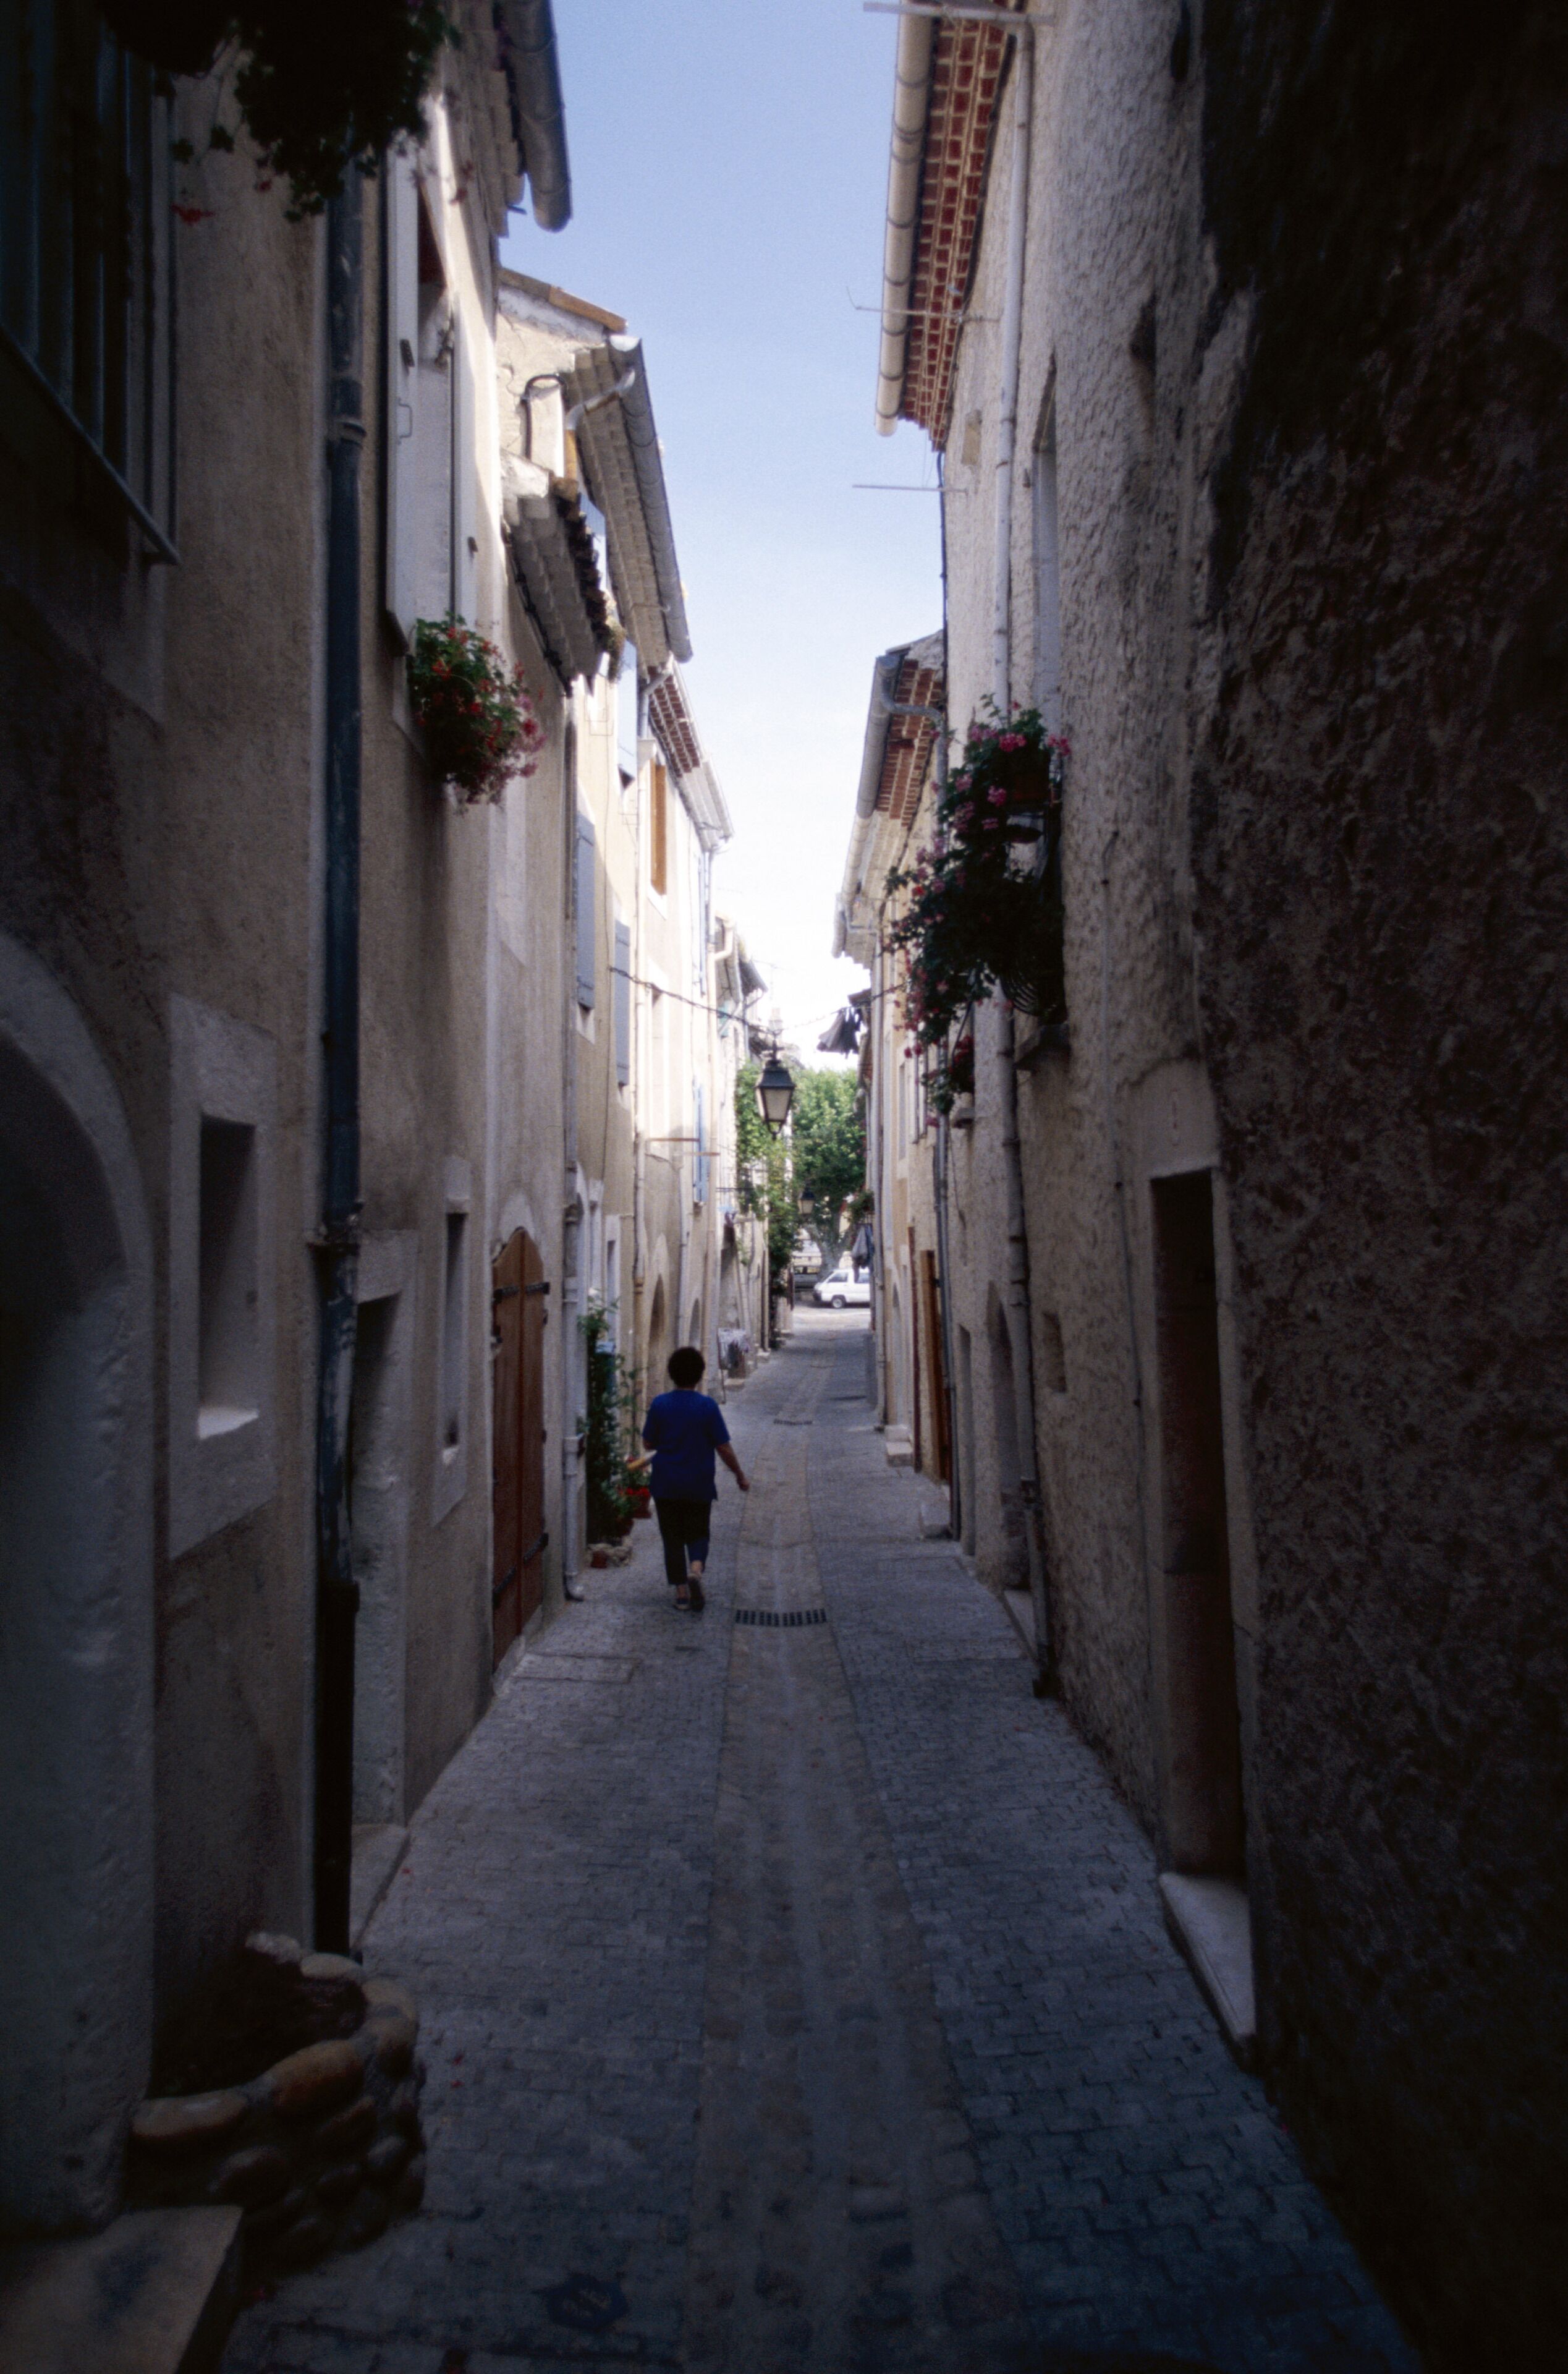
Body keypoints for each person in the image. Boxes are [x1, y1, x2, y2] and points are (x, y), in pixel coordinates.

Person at [640, 1345, 748, 1612]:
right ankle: (696, 1571)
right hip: (699, 1482)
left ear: (671, 1374)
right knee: (699, 1531)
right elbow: (723, 1447)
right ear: (699, 1376)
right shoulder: (707, 1406)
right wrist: (739, 1475)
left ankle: (681, 1593)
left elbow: (648, 1442)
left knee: (672, 1537)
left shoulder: (660, 1404)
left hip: (666, 1483)